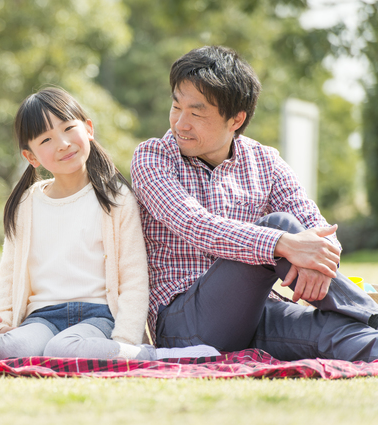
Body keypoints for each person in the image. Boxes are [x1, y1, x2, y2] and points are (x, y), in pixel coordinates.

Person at [131, 45, 378, 362]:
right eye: (176, 107)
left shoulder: (265, 161)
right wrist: (284, 243)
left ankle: (367, 319)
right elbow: (194, 223)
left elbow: (318, 228)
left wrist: (317, 257)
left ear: (236, 119)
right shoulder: (153, 157)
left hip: (259, 311)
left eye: (196, 112)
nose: (180, 123)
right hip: (186, 325)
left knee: (345, 334)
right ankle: (369, 310)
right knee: (281, 227)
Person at [0, 87, 219, 361]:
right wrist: (4, 321)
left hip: (97, 316)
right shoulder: (26, 204)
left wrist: (125, 338)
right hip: (41, 317)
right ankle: (78, 352)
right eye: (46, 140)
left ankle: (149, 355)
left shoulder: (116, 198)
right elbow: (9, 273)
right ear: (31, 157)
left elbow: (134, 276)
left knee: (62, 349)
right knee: (6, 348)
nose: (63, 143)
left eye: (68, 128)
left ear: (88, 128)